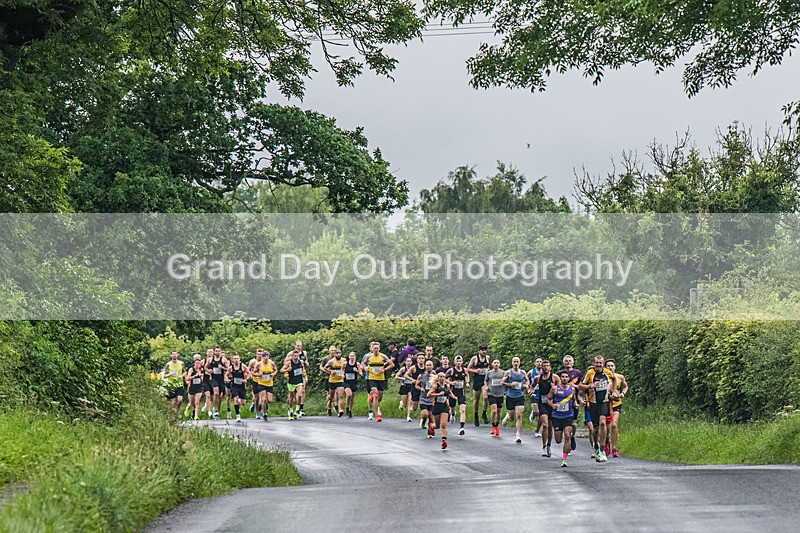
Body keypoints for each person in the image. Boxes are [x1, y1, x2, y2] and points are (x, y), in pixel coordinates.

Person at [579, 355, 617, 463]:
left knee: (603, 423)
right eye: (597, 363)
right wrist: (590, 386)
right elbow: (580, 386)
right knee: (595, 429)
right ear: (594, 363)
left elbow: (614, 379)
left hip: (604, 402)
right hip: (593, 403)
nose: (599, 365)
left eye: (600, 363)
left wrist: (614, 390)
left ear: (603, 363)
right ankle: (595, 445)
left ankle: (602, 449)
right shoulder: (590, 373)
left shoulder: (607, 372)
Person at [548, 370, 580, 467]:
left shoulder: (572, 389)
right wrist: (553, 405)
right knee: (558, 440)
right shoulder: (555, 389)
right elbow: (548, 399)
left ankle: (564, 459)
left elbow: (574, 400)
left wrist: (576, 404)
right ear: (560, 378)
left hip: (568, 415)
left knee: (567, 435)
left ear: (569, 378)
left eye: (566, 377)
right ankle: (569, 439)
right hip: (557, 416)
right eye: (563, 377)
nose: (565, 378)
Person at [362, 341, 394, 422]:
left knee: (379, 398)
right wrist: (365, 368)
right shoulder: (369, 356)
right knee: (376, 395)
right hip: (372, 378)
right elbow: (363, 363)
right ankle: (377, 415)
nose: (376, 350)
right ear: (372, 349)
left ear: (379, 348)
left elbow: (392, 364)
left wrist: (384, 369)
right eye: (374, 348)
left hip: (381, 379)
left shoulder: (383, 356)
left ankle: (372, 397)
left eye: (377, 348)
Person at [604, 359, 629, 458]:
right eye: (608, 366)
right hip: (606, 404)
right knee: (607, 428)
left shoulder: (620, 377)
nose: (610, 368)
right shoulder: (604, 378)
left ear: (615, 367)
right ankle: (607, 442)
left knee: (614, 425)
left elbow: (625, 386)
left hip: (617, 404)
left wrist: (622, 393)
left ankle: (614, 448)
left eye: (612, 366)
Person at [531, 360, 556, 457]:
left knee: (550, 426)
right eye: (544, 366)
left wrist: (555, 387)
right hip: (542, 403)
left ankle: (549, 445)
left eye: (547, 366)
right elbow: (532, 386)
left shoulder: (554, 377)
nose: (545, 367)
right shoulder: (538, 378)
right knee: (545, 425)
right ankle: (544, 447)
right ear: (541, 368)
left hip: (552, 404)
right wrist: (532, 392)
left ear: (550, 367)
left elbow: (561, 388)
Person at [559, 355, 583, 453]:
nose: (568, 362)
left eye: (569, 361)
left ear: (573, 363)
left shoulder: (578, 373)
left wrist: (574, 386)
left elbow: (581, 386)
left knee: (573, 422)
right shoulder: (560, 373)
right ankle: (567, 438)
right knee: (565, 423)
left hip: (574, 400)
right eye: (566, 361)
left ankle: (572, 436)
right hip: (562, 401)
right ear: (563, 363)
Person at [501, 357, 527, 443]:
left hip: (519, 396)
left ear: (519, 363)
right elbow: (502, 383)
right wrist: (510, 384)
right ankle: (507, 418)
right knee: (512, 418)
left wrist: (526, 385)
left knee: (519, 415)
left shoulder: (523, 372)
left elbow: (527, 381)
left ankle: (518, 435)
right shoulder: (508, 372)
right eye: (514, 362)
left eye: (517, 362)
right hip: (510, 396)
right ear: (512, 363)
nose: (516, 363)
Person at [429, 373, 457, 450]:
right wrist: (438, 394)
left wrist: (454, 397)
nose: (442, 378)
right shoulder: (436, 386)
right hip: (436, 407)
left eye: (443, 377)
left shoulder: (446, 386)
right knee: (437, 426)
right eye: (440, 377)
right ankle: (432, 426)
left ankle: (444, 441)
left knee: (444, 425)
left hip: (444, 407)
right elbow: (429, 394)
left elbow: (449, 393)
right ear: (438, 378)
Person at [467, 346, 491, 426]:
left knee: (485, 397)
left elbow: (488, 367)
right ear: (479, 351)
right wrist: (475, 371)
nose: (484, 352)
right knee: (476, 400)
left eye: (485, 350)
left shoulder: (487, 358)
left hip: (485, 380)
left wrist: (489, 371)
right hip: (477, 380)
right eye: (482, 350)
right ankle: (476, 415)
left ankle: (484, 413)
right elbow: (468, 369)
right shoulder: (474, 358)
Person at [284, 340, 308, 417]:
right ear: (295, 346)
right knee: (292, 395)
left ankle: (300, 409)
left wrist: (305, 363)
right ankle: (290, 407)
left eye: (300, 345)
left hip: (301, 374)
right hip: (291, 375)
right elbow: (285, 364)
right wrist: (287, 371)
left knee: (301, 392)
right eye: (297, 345)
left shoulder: (304, 353)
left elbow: (307, 363)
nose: (299, 347)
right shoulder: (290, 354)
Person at [281, 349, 306, 420]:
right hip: (291, 382)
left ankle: (297, 409)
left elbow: (303, 370)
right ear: (292, 356)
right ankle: (291, 410)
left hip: (299, 381)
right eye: (294, 356)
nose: (296, 357)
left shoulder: (301, 362)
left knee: (300, 395)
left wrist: (304, 377)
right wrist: (287, 370)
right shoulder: (289, 363)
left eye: (297, 356)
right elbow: (281, 370)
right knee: (291, 398)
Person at [226, 352, 251, 422]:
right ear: (233, 360)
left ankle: (239, 402)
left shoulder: (243, 366)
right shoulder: (231, 367)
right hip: (234, 386)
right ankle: (238, 416)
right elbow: (226, 374)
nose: (236, 360)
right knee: (236, 399)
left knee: (243, 403)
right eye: (235, 359)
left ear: (239, 359)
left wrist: (246, 379)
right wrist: (227, 379)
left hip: (242, 386)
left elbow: (249, 373)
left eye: (237, 358)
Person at [205, 346, 229, 420]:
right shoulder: (210, 359)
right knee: (216, 393)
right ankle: (215, 410)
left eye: (219, 351)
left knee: (220, 396)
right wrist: (208, 370)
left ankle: (217, 410)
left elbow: (229, 369)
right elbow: (205, 367)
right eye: (216, 351)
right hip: (213, 378)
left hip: (221, 379)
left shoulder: (223, 360)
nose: (217, 352)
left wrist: (222, 368)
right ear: (214, 352)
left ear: (220, 352)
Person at [415, 360, 436, 437]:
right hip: (423, 398)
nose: (429, 367)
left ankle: (430, 432)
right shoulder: (421, 376)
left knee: (431, 416)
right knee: (425, 414)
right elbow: (416, 385)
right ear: (425, 366)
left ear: (433, 366)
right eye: (427, 365)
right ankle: (423, 421)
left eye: (430, 365)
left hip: (432, 399)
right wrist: (420, 388)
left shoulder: (435, 376)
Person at [253, 351, 277, 421]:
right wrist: (258, 375)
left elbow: (276, 370)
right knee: (263, 399)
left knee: (269, 400)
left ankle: (264, 407)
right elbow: (253, 373)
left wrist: (274, 373)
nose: (266, 358)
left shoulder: (271, 363)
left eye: (267, 356)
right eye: (264, 356)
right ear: (262, 357)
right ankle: (264, 413)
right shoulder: (259, 364)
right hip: (261, 383)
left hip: (269, 383)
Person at [323, 348, 347, 416]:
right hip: (332, 380)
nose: (338, 355)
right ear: (334, 354)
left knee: (340, 395)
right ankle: (329, 407)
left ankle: (340, 410)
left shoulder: (344, 360)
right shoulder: (331, 361)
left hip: (340, 380)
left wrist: (343, 374)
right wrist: (330, 371)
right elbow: (325, 368)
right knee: (331, 396)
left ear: (341, 354)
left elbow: (344, 368)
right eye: (336, 353)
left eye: (339, 353)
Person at [450, 356, 469, 435]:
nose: (458, 363)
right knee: (452, 407)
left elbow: (467, 375)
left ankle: (462, 428)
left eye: (460, 361)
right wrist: (451, 383)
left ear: (462, 362)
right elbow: (444, 378)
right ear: (454, 362)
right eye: (457, 361)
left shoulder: (464, 370)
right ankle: (453, 414)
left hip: (461, 393)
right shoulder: (451, 370)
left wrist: (467, 382)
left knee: (463, 410)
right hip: (452, 392)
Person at [486, 359, 505, 436]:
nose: (496, 364)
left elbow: (506, 380)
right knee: (494, 410)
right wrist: (486, 386)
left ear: (499, 364)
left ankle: (497, 425)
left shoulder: (503, 373)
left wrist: (504, 384)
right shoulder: (489, 373)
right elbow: (485, 381)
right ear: (492, 364)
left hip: (500, 394)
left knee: (499, 411)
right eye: (495, 363)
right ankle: (493, 425)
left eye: (497, 363)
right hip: (491, 393)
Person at [406, 353, 426, 423]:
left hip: (424, 387)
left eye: (422, 358)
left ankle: (423, 419)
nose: (421, 360)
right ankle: (412, 408)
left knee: (423, 404)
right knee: (415, 407)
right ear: (417, 360)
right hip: (415, 387)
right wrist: (412, 380)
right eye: (419, 358)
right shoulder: (414, 367)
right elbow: (406, 375)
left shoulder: (426, 367)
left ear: (424, 359)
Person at [343, 351, 362, 418]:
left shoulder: (357, 364)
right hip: (346, 382)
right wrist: (342, 374)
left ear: (355, 357)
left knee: (352, 398)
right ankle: (347, 407)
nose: (352, 357)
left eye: (353, 356)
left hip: (353, 382)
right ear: (349, 357)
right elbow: (342, 370)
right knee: (349, 395)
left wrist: (357, 371)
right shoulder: (345, 364)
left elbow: (361, 373)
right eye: (350, 356)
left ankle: (350, 410)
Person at [320, 345, 337, 416]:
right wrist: (327, 371)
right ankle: (329, 407)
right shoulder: (326, 358)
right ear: (329, 351)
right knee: (329, 394)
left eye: (334, 350)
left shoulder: (338, 358)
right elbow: (321, 367)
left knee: (337, 392)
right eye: (332, 350)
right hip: (328, 378)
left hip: (337, 378)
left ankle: (336, 405)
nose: (333, 352)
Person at [528, 357, 543, 436]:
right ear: (535, 363)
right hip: (534, 393)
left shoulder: (545, 372)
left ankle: (537, 430)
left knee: (541, 414)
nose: (539, 363)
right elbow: (526, 380)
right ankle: (533, 414)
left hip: (542, 394)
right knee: (536, 411)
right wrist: (529, 389)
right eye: (537, 361)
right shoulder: (531, 372)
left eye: (540, 361)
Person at [247, 349, 264, 415]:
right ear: (256, 355)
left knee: (263, 397)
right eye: (258, 354)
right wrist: (251, 374)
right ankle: (257, 412)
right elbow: (247, 369)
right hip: (255, 381)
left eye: (261, 354)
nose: (259, 356)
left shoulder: (265, 362)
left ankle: (263, 411)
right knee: (256, 398)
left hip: (263, 381)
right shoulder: (253, 362)